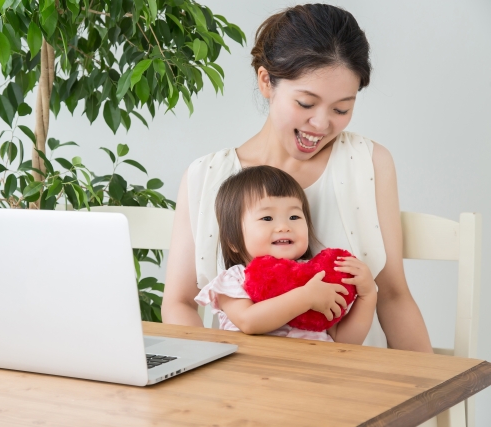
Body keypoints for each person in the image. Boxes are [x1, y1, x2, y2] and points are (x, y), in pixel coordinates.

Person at [161, 3, 433, 352]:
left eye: (341, 109)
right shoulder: (206, 175)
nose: (321, 124)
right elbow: (180, 302)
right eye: (306, 103)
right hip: (238, 389)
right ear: (266, 82)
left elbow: (393, 296)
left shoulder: (368, 163)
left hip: (355, 385)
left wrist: (433, 397)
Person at [194, 166, 377, 344]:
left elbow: (344, 342)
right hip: (253, 371)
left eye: (294, 217)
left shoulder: (316, 277)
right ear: (232, 241)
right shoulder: (233, 280)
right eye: (267, 218)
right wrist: (306, 297)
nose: (284, 226)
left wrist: (367, 295)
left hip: (314, 370)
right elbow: (248, 321)